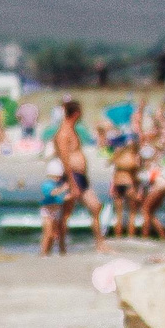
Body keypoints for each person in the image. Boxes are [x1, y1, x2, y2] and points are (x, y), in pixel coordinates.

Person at [51, 99, 107, 251]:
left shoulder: (72, 130)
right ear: (76, 114)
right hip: (72, 176)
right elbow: (64, 159)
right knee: (66, 213)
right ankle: (61, 246)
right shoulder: (63, 133)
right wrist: (71, 182)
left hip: (80, 176)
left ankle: (100, 244)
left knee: (96, 207)